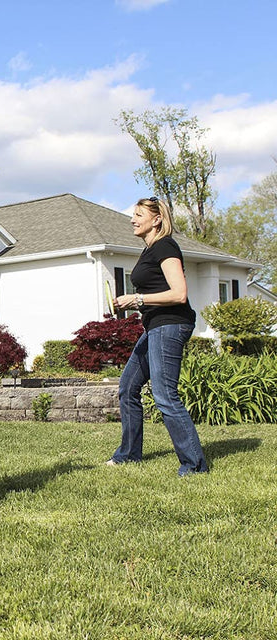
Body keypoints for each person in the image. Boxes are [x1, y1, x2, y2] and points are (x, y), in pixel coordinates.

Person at [109, 197, 208, 476]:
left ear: (157, 219)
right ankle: (128, 454)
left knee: (165, 395)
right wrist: (132, 302)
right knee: (128, 387)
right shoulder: (149, 250)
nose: (132, 219)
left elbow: (179, 293)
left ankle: (194, 465)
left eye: (139, 214)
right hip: (154, 326)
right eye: (133, 214)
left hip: (171, 324)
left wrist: (138, 299)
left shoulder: (165, 246)